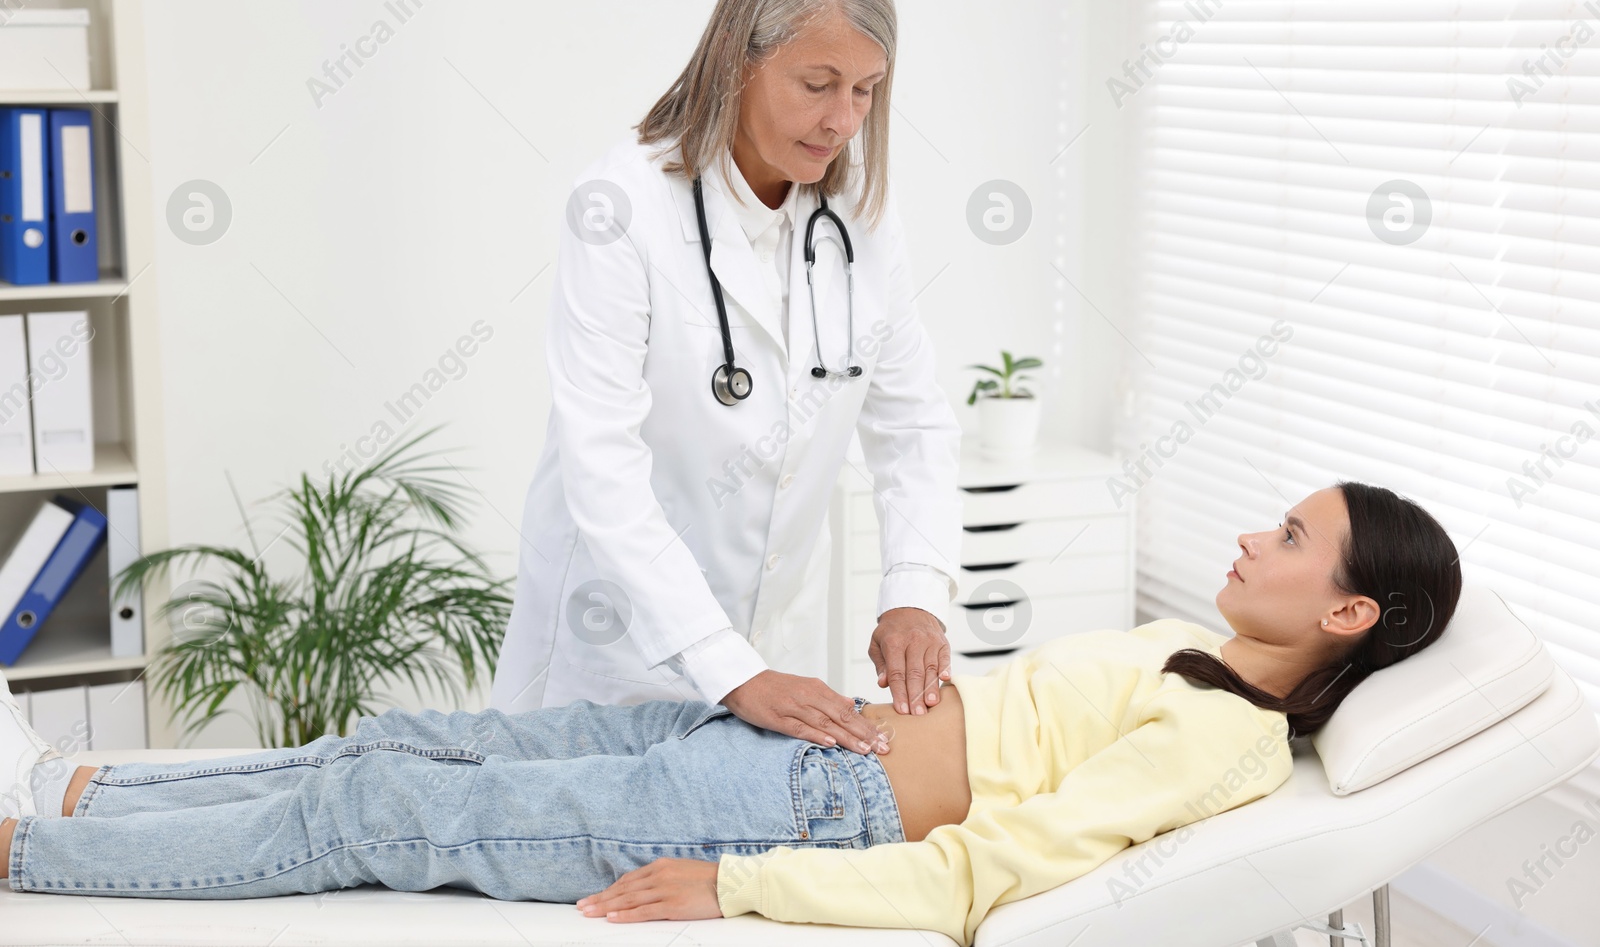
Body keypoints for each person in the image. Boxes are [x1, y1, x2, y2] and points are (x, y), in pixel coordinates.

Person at [0, 483, 1462, 947]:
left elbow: (991, 868)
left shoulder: (1228, 737)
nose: (1253, 542)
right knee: (394, 740)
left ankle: (27, 852)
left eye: (1289, 537)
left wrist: (739, 883)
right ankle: (87, 799)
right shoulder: (1185, 645)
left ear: (1344, 612)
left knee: (382, 815)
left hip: (793, 809)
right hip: (784, 733)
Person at [489, 0, 964, 753]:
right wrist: (725, 665)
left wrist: (914, 589)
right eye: (817, 83)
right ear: (741, 58)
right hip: (614, 658)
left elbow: (914, 426)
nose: (842, 119)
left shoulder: (859, 223)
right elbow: (602, 466)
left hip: (779, 658)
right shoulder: (620, 206)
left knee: (738, 880)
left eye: (865, 90)